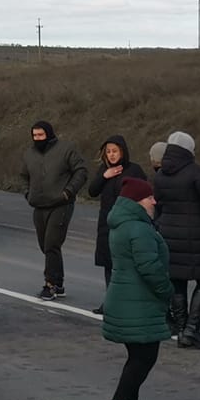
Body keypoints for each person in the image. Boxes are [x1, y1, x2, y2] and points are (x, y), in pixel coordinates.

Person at [97, 178, 174, 400]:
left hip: (125, 298)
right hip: (138, 302)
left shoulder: (122, 224)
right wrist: (168, 291)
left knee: (137, 354)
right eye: (149, 198)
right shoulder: (139, 229)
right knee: (145, 356)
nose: (154, 201)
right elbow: (149, 267)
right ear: (138, 201)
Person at [154, 130, 200, 349]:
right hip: (198, 234)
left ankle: (182, 326)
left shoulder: (160, 174)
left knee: (177, 281)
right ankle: (192, 329)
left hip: (169, 233)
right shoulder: (196, 172)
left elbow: (157, 204)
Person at [21, 120, 90, 300]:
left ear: (49, 134)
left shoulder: (66, 149)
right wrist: (27, 193)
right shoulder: (29, 154)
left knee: (52, 243)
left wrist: (68, 192)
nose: (38, 138)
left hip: (61, 204)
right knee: (45, 246)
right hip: (38, 205)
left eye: (41, 135)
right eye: (35, 135)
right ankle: (59, 283)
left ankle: (50, 284)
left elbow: (81, 171)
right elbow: (23, 176)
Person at [85, 134, 145, 317]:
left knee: (126, 264)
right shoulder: (104, 170)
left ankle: (127, 302)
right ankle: (110, 301)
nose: (111, 155)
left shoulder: (134, 170)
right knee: (109, 264)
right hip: (106, 223)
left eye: (115, 151)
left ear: (123, 152)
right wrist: (104, 176)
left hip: (127, 224)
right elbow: (92, 191)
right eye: (108, 152)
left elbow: (144, 194)